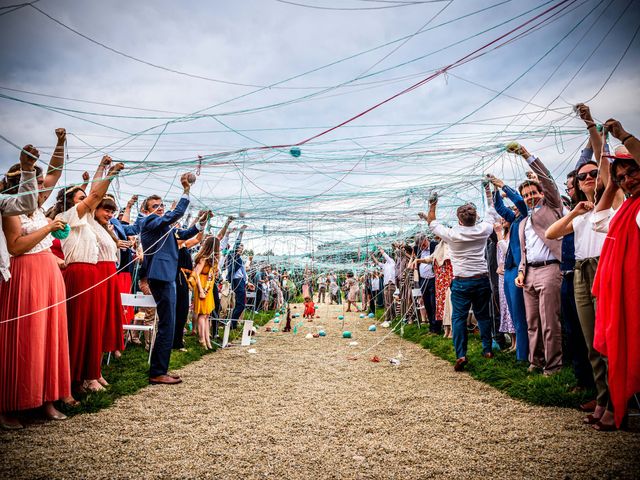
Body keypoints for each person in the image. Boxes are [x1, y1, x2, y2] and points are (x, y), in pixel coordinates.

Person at [0, 139, 63, 429]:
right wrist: (49, 227)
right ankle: (11, 404)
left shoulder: (37, 204)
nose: (42, 186)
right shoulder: (9, 209)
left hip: (49, 274)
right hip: (25, 277)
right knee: (27, 337)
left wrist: (61, 142)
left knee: (48, 336)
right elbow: (15, 246)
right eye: (35, 182)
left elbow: (56, 172)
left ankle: (46, 399)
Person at [54, 156, 124, 393]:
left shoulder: (86, 222)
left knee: (91, 328)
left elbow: (94, 193)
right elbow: (95, 195)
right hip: (79, 273)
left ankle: (88, 374)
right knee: (79, 327)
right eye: (80, 199)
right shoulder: (67, 218)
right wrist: (110, 173)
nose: (88, 202)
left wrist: (105, 171)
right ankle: (74, 379)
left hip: (92, 273)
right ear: (71, 203)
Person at [590, 118, 640, 429]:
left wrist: (623, 136)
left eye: (632, 171)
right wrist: (611, 184)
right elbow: (598, 220)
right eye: (622, 177)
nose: (627, 180)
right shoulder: (625, 208)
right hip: (621, 296)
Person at [419, 191, 500, 372]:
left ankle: (461, 354)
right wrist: (488, 194)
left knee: (458, 318)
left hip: (462, 281)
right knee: (483, 316)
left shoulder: (452, 234)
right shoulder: (484, 229)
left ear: (459, 219)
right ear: (474, 217)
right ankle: (487, 350)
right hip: (481, 279)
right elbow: (491, 211)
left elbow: (432, 223)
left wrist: (433, 204)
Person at [139, 173, 204, 385]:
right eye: (155, 206)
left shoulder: (164, 227)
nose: (160, 208)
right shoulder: (149, 222)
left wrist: (201, 225)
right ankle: (158, 371)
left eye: (161, 205)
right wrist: (186, 191)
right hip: (160, 276)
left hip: (167, 276)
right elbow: (173, 216)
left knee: (170, 321)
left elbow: (183, 235)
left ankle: (161, 368)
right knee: (167, 322)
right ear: (146, 211)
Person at [511, 143, 564, 376]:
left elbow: (548, 180)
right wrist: (522, 272)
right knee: (532, 322)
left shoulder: (552, 207)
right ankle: (536, 361)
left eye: (533, 193)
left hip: (550, 269)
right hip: (529, 274)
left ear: (541, 193)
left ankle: (553, 366)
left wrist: (526, 155)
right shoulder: (523, 222)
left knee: (550, 321)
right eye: (526, 195)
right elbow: (524, 252)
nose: (530, 197)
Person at [487, 173, 529, 362]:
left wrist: (503, 185)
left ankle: (524, 354)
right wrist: (495, 190)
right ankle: (521, 352)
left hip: (521, 268)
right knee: (514, 312)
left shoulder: (525, 216)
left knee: (521, 313)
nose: (513, 209)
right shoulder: (514, 219)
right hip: (510, 269)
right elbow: (499, 207)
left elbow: (521, 202)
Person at [192, 235, 218, 350]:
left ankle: (207, 339)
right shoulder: (203, 258)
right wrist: (201, 290)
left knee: (207, 314)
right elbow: (196, 274)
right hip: (202, 286)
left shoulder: (212, 259)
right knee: (202, 315)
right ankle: (202, 339)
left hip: (209, 286)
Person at [225, 225, 249, 329]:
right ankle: (232, 323)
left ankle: (233, 323)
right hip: (237, 281)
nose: (240, 249)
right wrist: (241, 232)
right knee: (240, 304)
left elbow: (242, 271)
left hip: (241, 281)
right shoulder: (233, 256)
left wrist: (247, 280)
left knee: (240, 304)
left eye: (241, 249)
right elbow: (236, 244)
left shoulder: (239, 259)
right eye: (239, 248)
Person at [371, 247, 396, 324]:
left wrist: (381, 250)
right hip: (386, 285)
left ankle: (388, 319)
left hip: (391, 284)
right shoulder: (385, 265)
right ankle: (391, 317)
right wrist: (372, 256)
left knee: (389, 302)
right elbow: (377, 263)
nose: (384, 259)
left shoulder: (392, 262)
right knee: (387, 302)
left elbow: (386, 256)